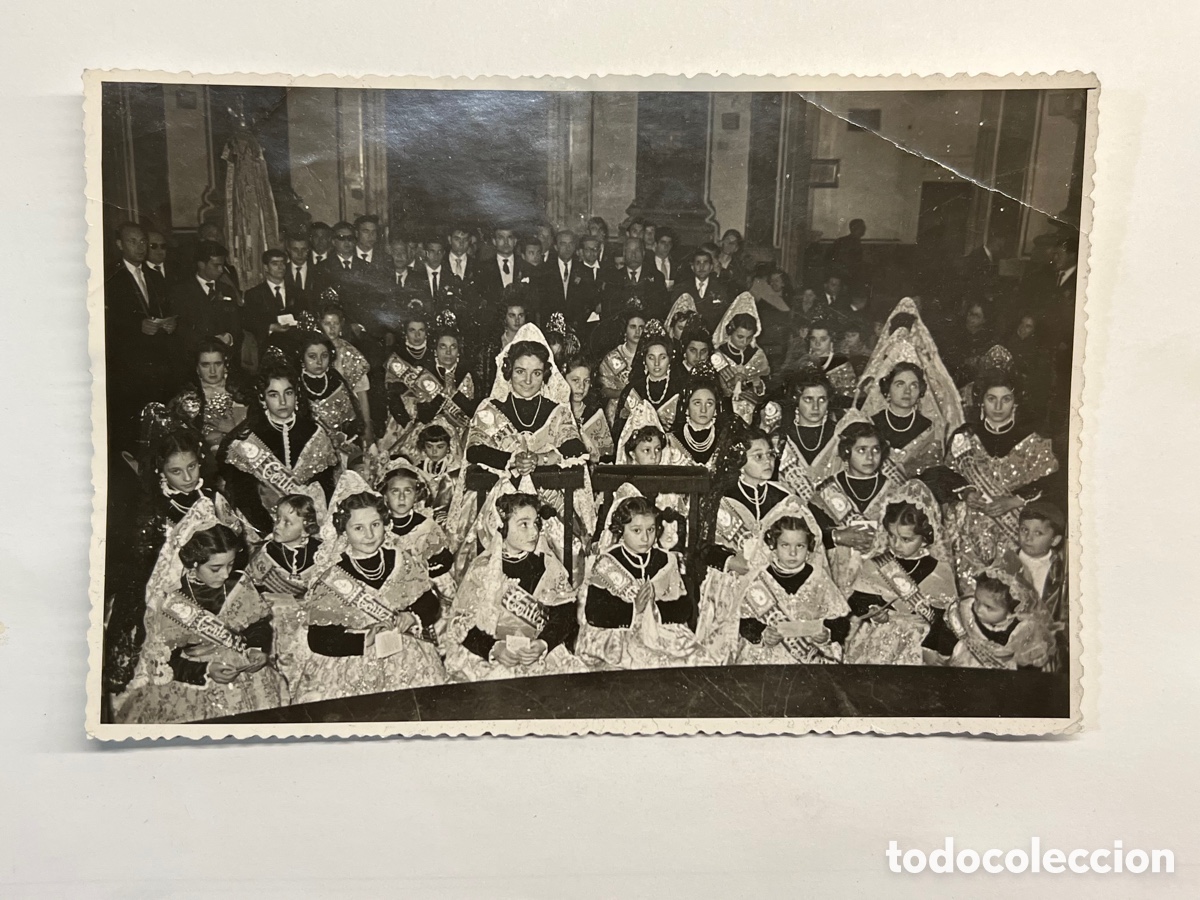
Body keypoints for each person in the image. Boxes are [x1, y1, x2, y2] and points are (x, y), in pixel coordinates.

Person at [114, 507, 284, 724]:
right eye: (216, 568)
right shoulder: (171, 599)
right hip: (194, 680)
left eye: (230, 565)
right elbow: (165, 660)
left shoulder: (238, 584)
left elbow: (257, 625)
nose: (225, 574)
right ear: (193, 563)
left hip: (245, 673)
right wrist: (205, 670)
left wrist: (257, 647)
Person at [446, 324, 596, 565]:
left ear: (545, 375)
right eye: (520, 372)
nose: (528, 380)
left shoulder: (557, 411)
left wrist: (540, 459)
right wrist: (512, 461)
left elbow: (575, 448)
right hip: (496, 505)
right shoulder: (490, 408)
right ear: (508, 372)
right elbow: (475, 450)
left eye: (536, 373)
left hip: (548, 507)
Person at [291, 474, 446, 703]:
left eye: (375, 525)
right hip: (351, 666)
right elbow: (319, 638)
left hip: (407, 658)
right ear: (344, 531)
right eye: (358, 528)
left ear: (385, 523)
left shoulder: (401, 560)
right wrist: (362, 640)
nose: (369, 535)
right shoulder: (333, 576)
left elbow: (430, 603)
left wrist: (412, 617)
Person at [444, 487, 587, 681]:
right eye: (523, 525)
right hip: (494, 654)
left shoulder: (547, 564)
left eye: (536, 523)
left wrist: (544, 643)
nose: (534, 532)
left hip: (537, 653)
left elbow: (565, 615)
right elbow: (461, 622)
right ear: (501, 527)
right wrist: (493, 648)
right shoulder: (482, 568)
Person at [938, 367, 1060, 588]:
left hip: (1014, 535)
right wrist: (965, 491)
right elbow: (947, 474)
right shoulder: (964, 436)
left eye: (1005, 399)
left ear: (1015, 403)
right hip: (968, 537)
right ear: (981, 402)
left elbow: (1051, 482)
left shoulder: (1033, 441)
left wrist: (1014, 500)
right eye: (991, 399)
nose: (998, 406)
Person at [810, 419, 945, 592]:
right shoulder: (826, 492)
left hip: (882, 585)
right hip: (835, 579)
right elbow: (808, 535)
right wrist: (837, 536)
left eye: (876, 450)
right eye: (861, 450)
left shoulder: (898, 492)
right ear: (846, 451)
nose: (870, 457)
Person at [577, 488, 704, 670]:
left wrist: (654, 607)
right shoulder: (607, 561)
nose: (645, 538)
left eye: (651, 529)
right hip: (617, 636)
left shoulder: (665, 560)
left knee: (699, 659)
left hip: (662, 631)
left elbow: (684, 608)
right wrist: (633, 608)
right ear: (621, 530)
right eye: (636, 530)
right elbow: (594, 612)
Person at [829, 501, 959, 666]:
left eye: (906, 539)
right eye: (892, 536)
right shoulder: (876, 565)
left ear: (925, 538)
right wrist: (872, 611)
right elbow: (856, 602)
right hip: (880, 644)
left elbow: (946, 619)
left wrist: (931, 650)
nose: (897, 545)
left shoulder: (940, 571)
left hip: (922, 647)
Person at [220, 361, 339, 535]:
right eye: (273, 395)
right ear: (262, 398)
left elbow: (327, 487)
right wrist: (271, 530)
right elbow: (245, 497)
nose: (283, 401)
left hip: (311, 525)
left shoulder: (315, 433)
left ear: (296, 395)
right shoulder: (246, 439)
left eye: (288, 393)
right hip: (265, 529)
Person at [725, 503, 848, 666]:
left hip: (811, 656)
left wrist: (828, 633)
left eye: (800, 546)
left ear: (809, 547)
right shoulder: (758, 577)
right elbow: (742, 620)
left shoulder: (819, 577)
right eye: (785, 545)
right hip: (767, 657)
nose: (793, 553)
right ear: (773, 545)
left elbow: (840, 619)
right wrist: (762, 633)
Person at [854, 297, 965, 477]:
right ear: (887, 389)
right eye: (899, 384)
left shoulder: (929, 428)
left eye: (913, 386)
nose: (907, 391)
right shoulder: (871, 423)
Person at [163, 337, 251, 468]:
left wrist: (234, 430)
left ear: (225, 364)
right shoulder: (186, 397)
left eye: (217, 363)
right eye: (206, 365)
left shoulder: (241, 391)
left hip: (246, 457)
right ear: (197, 368)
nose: (212, 371)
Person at [378, 462, 456, 609]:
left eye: (408, 491)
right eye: (395, 491)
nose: (401, 497)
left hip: (425, 591)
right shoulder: (378, 526)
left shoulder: (427, 526)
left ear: (416, 495)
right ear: (385, 496)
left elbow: (442, 565)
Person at [944, 571, 1056, 670]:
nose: (978, 609)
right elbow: (950, 632)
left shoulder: (1023, 629)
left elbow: (1028, 663)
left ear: (1010, 610)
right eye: (977, 600)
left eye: (989, 607)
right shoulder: (966, 610)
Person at [762, 369, 841, 503]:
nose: (815, 407)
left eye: (822, 400)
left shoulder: (840, 435)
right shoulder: (780, 438)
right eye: (808, 399)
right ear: (796, 400)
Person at [171, 239, 242, 364]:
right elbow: (181, 327)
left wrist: (230, 337)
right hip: (195, 358)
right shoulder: (182, 291)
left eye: (222, 265)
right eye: (216, 265)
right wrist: (209, 341)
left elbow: (236, 322)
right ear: (201, 264)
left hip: (225, 357)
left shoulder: (227, 290)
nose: (221, 270)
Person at [296, 332, 366, 454]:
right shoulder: (294, 384)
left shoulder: (336, 382)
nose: (319, 362)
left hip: (337, 450)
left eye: (324, 356)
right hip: (305, 452)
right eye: (312, 356)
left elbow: (349, 421)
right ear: (302, 357)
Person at [613, 326, 686, 440]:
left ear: (670, 359)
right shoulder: (633, 389)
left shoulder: (681, 389)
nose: (656, 363)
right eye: (651, 357)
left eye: (662, 357)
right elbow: (620, 431)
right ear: (644, 360)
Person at [245, 493, 323, 598]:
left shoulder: (320, 552)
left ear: (305, 531)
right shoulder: (267, 551)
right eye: (277, 518)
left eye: (287, 522)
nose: (278, 526)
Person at [710, 293, 770, 424]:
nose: (744, 342)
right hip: (725, 410)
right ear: (730, 332)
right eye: (740, 337)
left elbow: (765, 384)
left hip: (752, 410)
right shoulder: (719, 354)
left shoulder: (757, 354)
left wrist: (758, 385)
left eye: (749, 338)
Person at [666, 374, 728, 469]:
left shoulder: (726, 439)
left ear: (716, 408)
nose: (703, 410)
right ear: (687, 407)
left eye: (709, 403)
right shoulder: (671, 440)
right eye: (697, 403)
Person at [562, 353, 613, 463]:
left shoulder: (594, 413)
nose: (581, 386)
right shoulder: (556, 412)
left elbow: (606, 454)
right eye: (575, 380)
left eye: (586, 381)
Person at [597, 306, 647, 417]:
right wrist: (625, 394)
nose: (638, 331)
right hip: (618, 410)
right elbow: (604, 390)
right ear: (625, 329)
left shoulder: (650, 355)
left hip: (644, 410)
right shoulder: (612, 357)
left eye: (641, 327)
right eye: (633, 327)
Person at [802, 321, 857, 405]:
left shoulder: (840, 362)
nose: (817, 344)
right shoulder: (803, 362)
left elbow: (849, 397)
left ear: (832, 341)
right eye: (813, 339)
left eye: (823, 339)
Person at [675, 247, 732, 328]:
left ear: (711, 267)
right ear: (692, 267)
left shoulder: (721, 289)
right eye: (698, 263)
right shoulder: (681, 288)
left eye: (705, 263)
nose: (702, 267)